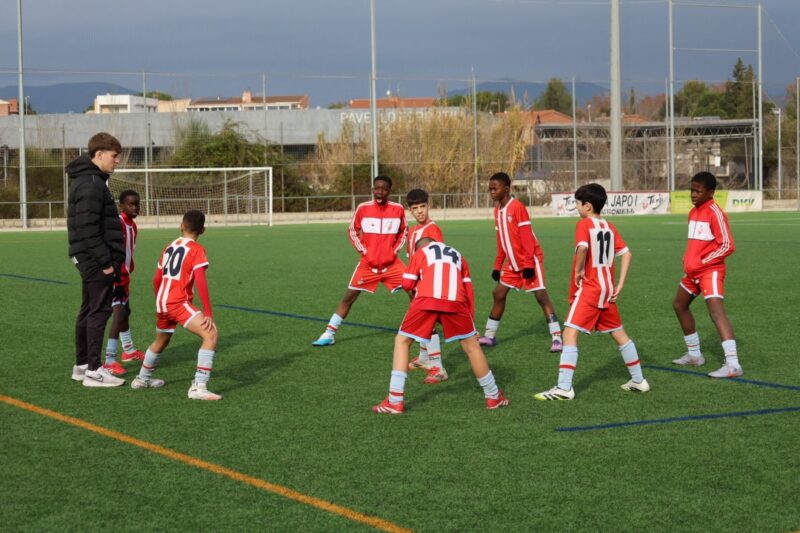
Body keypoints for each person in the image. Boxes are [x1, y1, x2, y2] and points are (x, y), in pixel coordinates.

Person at [535, 183, 649, 400]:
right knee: (619, 333)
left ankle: (564, 388)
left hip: (591, 288)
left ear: (587, 206)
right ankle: (638, 380)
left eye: (577, 204)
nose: (576, 207)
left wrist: (578, 270)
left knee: (569, 333)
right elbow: (627, 254)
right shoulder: (609, 226)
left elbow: (583, 247)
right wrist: (620, 284)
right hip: (607, 289)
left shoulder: (584, 224)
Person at [373, 237, 510, 414]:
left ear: (420, 248)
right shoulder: (459, 255)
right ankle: (493, 396)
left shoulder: (421, 253)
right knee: (472, 348)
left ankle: (395, 401)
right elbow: (469, 291)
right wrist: (472, 323)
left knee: (402, 341)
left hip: (426, 300)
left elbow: (407, 284)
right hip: (456, 302)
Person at [131, 210, 221, 400]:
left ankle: (142, 379)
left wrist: (161, 300)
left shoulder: (168, 247)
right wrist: (208, 312)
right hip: (178, 302)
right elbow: (200, 281)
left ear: (181, 226)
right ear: (202, 230)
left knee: (161, 341)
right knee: (211, 334)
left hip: (162, 302)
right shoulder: (197, 250)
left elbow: (156, 279)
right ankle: (199, 387)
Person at [312, 176, 407, 346]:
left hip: (392, 264)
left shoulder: (398, 209)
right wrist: (365, 251)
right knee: (348, 298)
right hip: (368, 265)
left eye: (384, 189)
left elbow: (404, 231)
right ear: (372, 189)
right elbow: (352, 231)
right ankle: (329, 333)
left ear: (389, 191)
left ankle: (427, 330)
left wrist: (393, 251)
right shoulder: (363, 208)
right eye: (377, 188)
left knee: (417, 292)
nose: (380, 192)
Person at [477, 172, 563, 352]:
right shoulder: (497, 210)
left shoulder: (517, 207)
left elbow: (527, 238)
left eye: (495, 188)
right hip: (512, 263)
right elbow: (501, 239)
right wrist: (497, 265)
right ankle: (490, 336)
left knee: (541, 296)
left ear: (506, 189)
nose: (492, 192)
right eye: (490, 189)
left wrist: (529, 264)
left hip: (530, 260)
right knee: (498, 293)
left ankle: (557, 338)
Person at [67, 132, 126, 388]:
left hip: (88, 256)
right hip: (94, 259)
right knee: (99, 311)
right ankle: (94, 371)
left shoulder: (89, 180)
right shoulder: (91, 183)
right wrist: (106, 262)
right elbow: (87, 228)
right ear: (99, 154)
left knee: (88, 309)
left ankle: (82, 366)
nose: (117, 161)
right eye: (114, 156)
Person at [671, 172, 742, 378]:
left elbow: (727, 245)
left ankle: (733, 365)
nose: (693, 194)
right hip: (692, 273)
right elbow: (696, 245)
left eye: (698, 191)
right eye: (691, 190)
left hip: (710, 272)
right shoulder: (693, 213)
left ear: (710, 192)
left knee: (716, 313)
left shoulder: (715, 212)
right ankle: (694, 355)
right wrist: (689, 260)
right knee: (679, 305)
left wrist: (702, 262)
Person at [405, 188, 447, 384]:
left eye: (423, 206)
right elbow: (411, 260)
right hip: (417, 285)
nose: (420, 211)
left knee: (428, 323)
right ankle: (424, 357)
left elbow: (437, 260)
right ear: (410, 210)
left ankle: (438, 368)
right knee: (422, 323)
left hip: (429, 285)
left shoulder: (433, 229)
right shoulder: (413, 232)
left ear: (429, 206)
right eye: (415, 208)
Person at [102, 190, 145, 376]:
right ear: (121, 206)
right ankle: (110, 360)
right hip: (115, 277)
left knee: (126, 311)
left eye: (137, 204)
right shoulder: (117, 223)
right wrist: (112, 271)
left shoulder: (133, 226)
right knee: (118, 313)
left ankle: (128, 350)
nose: (135, 207)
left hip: (125, 276)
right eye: (130, 204)